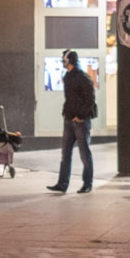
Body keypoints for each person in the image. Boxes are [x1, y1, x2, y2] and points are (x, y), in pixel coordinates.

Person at [48, 50, 96, 194]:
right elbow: (70, 98)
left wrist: (81, 116)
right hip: (69, 119)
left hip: (80, 120)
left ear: (70, 60)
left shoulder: (82, 77)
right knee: (66, 153)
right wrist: (66, 113)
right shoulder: (68, 76)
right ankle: (62, 184)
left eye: (64, 59)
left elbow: (90, 99)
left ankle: (87, 184)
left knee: (84, 152)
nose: (62, 61)